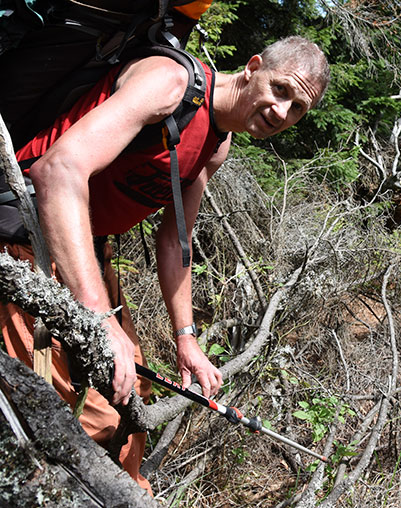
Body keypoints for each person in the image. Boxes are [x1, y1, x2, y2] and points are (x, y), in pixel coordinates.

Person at [0, 35, 329, 492]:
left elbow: (176, 239)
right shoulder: (169, 83)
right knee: (91, 414)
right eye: (280, 90)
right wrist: (98, 316)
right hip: (24, 240)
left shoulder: (217, 144)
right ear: (253, 67)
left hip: (86, 251)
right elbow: (58, 170)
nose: (282, 112)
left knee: (129, 397)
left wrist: (186, 338)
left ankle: (128, 493)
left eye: (297, 108)